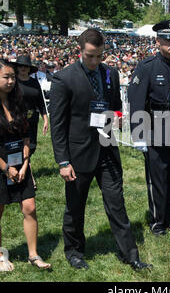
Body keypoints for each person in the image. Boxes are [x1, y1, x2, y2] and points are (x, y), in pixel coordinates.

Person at [49, 28, 151, 271]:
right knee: (75, 206)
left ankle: (130, 254)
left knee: (117, 203)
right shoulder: (64, 79)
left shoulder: (110, 74)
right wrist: (63, 161)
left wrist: (117, 117)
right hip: (78, 153)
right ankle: (74, 251)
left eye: (99, 56)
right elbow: (58, 124)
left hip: (106, 147)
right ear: (80, 51)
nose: (95, 61)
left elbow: (114, 105)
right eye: (90, 56)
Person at [0, 59, 51, 272]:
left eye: (12, 77)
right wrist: (5, 167)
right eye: (5, 77)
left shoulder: (19, 103)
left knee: (30, 207)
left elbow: (25, 135)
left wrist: (26, 164)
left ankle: (33, 255)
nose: (10, 81)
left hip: (20, 162)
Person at [128, 20, 170, 236]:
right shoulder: (147, 67)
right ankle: (157, 223)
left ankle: (168, 220)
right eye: (168, 39)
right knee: (157, 178)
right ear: (158, 41)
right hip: (155, 127)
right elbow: (136, 100)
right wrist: (138, 134)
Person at [13, 55, 49, 190]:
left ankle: (25, 168)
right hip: (16, 118)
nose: (23, 68)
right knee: (20, 146)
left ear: (29, 68)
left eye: (26, 66)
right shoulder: (13, 82)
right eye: (21, 66)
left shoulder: (34, 83)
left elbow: (40, 101)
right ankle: (28, 175)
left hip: (32, 119)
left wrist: (45, 118)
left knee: (31, 146)